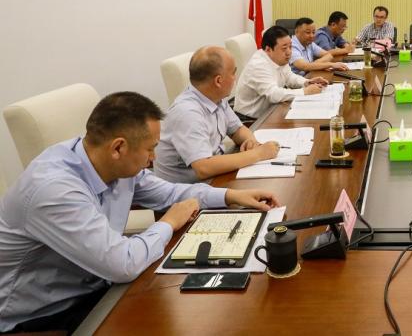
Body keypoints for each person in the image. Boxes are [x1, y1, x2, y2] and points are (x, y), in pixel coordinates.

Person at [0, 92, 279, 333]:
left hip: (98, 281)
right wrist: (168, 222)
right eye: (150, 149)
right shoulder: (54, 191)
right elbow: (121, 264)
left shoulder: (109, 161)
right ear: (119, 147)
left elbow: (170, 193)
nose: (153, 158)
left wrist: (230, 196)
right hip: (44, 313)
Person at [154, 46, 280, 183]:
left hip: (215, 177)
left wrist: (251, 142)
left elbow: (237, 129)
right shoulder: (188, 113)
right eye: (233, 73)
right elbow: (203, 167)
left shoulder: (216, 98)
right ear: (218, 81)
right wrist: (258, 154)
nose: (235, 78)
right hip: (189, 190)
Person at [235, 26, 329, 119]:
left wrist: (307, 82)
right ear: (268, 49)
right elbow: (273, 94)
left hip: (271, 110)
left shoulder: (278, 58)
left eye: (290, 47)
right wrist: (305, 91)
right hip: (251, 120)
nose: (289, 52)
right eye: (284, 48)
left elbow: (289, 77)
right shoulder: (258, 66)